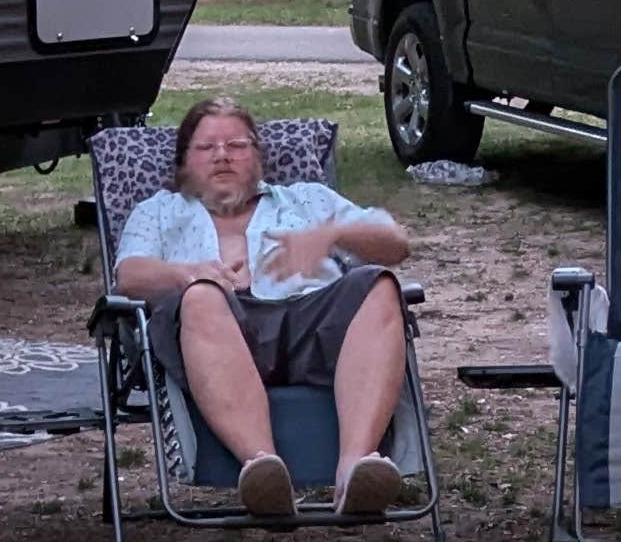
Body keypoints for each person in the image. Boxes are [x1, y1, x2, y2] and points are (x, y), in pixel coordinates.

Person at [111, 93, 419, 518]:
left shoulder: (307, 199)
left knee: (379, 287)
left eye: (237, 145)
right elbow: (128, 275)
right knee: (201, 295)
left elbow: (397, 244)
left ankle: (355, 471)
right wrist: (189, 274)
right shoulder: (160, 211)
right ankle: (263, 470)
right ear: (185, 163)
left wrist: (330, 234)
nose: (222, 156)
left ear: (258, 157)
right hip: (217, 332)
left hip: (312, 323)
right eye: (206, 147)